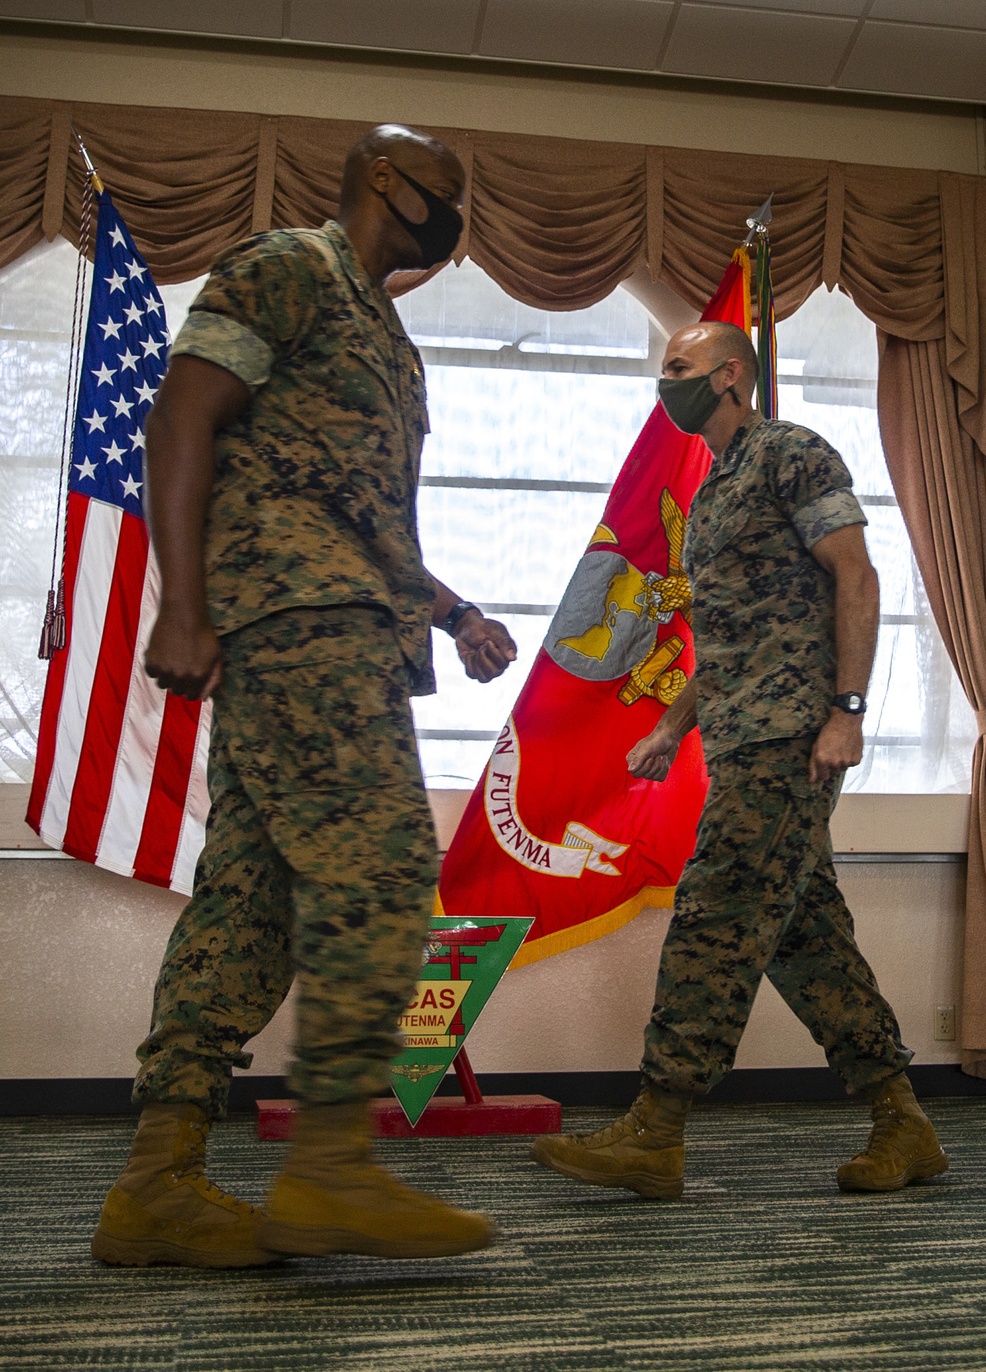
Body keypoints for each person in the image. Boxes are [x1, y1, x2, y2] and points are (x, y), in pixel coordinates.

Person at [91, 125, 517, 1269]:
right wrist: (185, 605)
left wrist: (455, 612)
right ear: (387, 178)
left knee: (249, 912)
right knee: (382, 868)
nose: (455, 213)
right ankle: (329, 1165)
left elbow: (360, 518)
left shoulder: (388, 337)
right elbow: (181, 415)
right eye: (448, 190)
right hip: (294, 627)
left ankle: (156, 1184)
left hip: (350, 623)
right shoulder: (289, 266)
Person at [532, 320, 948, 1200]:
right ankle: (902, 1121)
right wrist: (670, 727)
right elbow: (724, 646)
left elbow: (858, 578)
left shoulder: (791, 453)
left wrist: (847, 712)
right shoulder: (715, 488)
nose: (664, 379)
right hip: (739, 734)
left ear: (728, 375)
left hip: (793, 735)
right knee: (806, 937)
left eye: (677, 365)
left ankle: (658, 1126)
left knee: (717, 912)